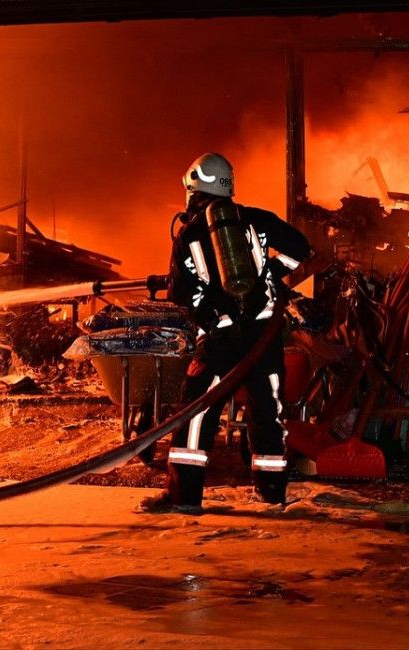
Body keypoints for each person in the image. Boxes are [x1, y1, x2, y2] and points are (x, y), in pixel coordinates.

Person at [156, 152, 311, 512]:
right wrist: (270, 272)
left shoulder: (189, 234)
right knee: (267, 412)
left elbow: (180, 295)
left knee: (197, 414)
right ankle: (272, 493)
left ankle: (184, 496)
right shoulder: (255, 218)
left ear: (193, 189)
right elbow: (300, 249)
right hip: (264, 335)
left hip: (219, 339)